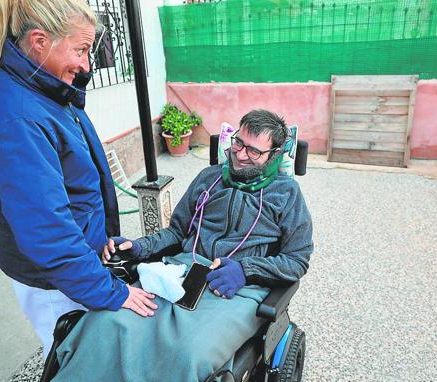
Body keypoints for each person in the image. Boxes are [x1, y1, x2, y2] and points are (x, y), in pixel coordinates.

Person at [51, 109, 314, 381]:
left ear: (273, 156)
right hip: (179, 274)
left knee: (188, 354)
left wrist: (246, 269)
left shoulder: (287, 194)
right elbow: (177, 231)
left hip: (239, 289)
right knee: (105, 324)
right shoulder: (208, 178)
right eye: (238, 142)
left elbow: (297, 260)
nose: (241, 154)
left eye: (254, 151)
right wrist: (139, 246)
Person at [0, 0, 156, 358]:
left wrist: (96, 237)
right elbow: (46, 229)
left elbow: (72, 188)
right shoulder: (19, 118)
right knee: (78, 359)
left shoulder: (43, 86)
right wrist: (112, 292)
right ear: (40, 41)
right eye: (82, 50)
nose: (86, 64)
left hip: (71, 264)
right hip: (52, 280)